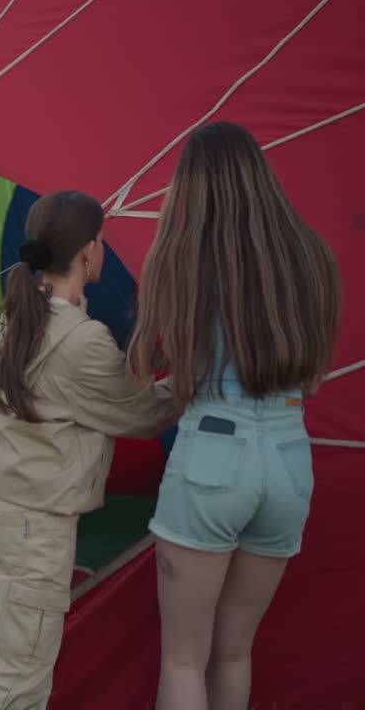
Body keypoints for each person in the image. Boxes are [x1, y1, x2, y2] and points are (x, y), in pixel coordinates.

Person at [127, 121, 341, 710]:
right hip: (290, 458)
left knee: (183, 659)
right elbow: (314, 374)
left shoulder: (179, 255)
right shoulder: (313, 256)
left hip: (213, 452)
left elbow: (158, 364)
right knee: (235, 652)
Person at [0, 190, 179, 710]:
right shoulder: (81, 339)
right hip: (30, 523)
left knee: (2, 657)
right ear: (88, 252)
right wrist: (193, 377)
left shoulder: (18, 310)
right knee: (21, 679)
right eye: (102, 241)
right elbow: (142, 413)